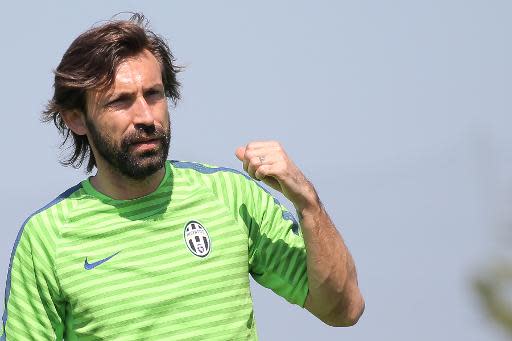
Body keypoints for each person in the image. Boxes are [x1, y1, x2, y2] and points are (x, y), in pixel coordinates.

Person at [1, 13, 364, 340]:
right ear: (76, 119)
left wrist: (308, 204)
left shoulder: (231, 197)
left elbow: (343, 309)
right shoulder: (47, 239)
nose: (145, 116)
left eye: (154, 94)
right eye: (120, 101)